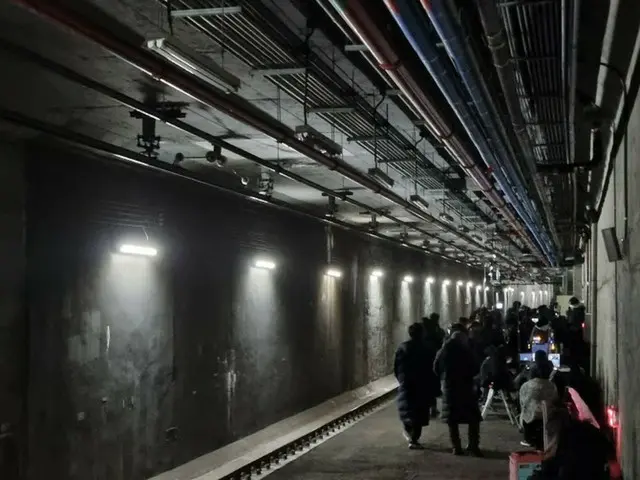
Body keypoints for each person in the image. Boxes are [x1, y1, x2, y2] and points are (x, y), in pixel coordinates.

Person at [434, 328, 482, 456]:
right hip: (466, 387)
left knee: (452, 420)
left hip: (449, 388)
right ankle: (473, 446)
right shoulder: (467, 351)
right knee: (473, 419)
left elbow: (436, 368)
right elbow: (475, 367)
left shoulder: (443, 351)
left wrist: (444, 378)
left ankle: (456, 447)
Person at [394, 322, 438, 449]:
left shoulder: (402, 348)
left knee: (407, 410)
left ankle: (410, 435)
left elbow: (396, 367)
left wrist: (401, 379)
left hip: (407, 384)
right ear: (422, 333)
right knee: (420, 412)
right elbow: (433, 368)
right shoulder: (428, 348)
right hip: (423, 384)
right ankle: (414, 438)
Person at [518, 364, 558, 448]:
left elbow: (522, 402)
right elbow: (555, 399)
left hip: (531, 418)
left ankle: (527, 439)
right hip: (548, 416)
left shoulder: (526, 385)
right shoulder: (552, 385)